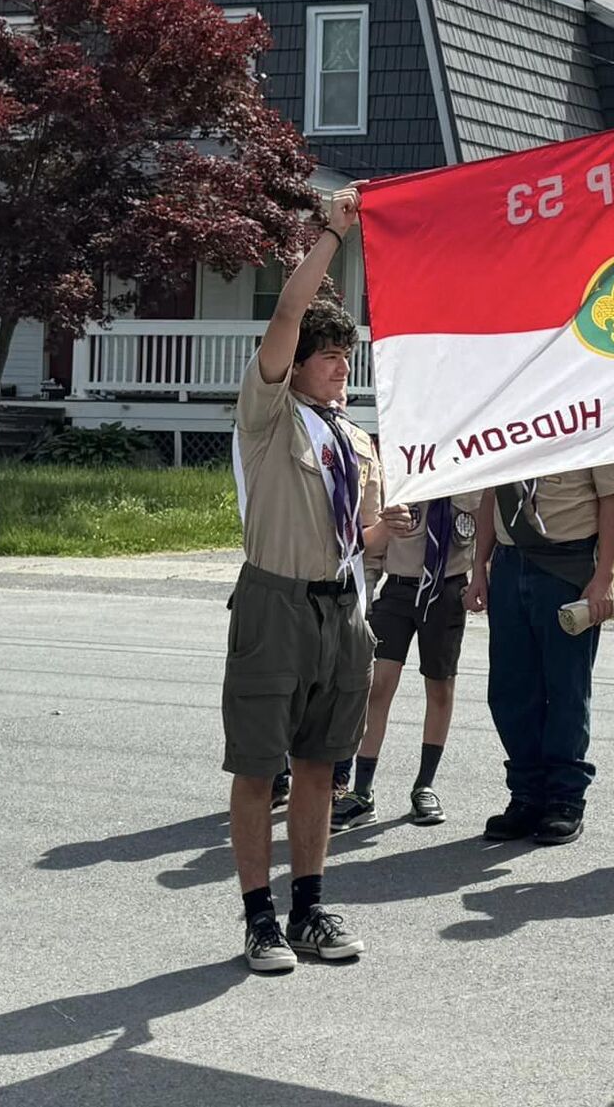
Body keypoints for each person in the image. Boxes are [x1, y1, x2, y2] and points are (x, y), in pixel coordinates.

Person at [226, 187, 409, 973]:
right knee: (258, 766)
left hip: (343, 611)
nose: (341, 368)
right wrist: (334, 238)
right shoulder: (269, 415)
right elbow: (285, 316)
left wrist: (384, 532)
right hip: (275, 604)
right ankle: (258, 918)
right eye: (330, 357)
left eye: (347, 358)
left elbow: (351, 539)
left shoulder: (356, 440)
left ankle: (308, 906)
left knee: (319, 767)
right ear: (296, 365)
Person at [468, 461, 614, 844]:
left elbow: (613, 495)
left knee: (566, 690)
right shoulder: (508, 418)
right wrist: (479, 566)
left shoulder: (586, 412)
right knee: (509, 689)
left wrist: (604, 576)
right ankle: (526, 795)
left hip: (568, 561)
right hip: (511, 560)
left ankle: (564, 798)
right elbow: (493, 490)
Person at [332, 490, 484, 830]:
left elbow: (485, 533)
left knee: (440, 688)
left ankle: (425, 785)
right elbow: (370, 544)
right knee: (378, 686)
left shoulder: (471, 479)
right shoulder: (402, 474)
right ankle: (361, 791)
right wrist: (365, 591)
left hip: (447, 592)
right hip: (398, 591)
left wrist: (481, 577)